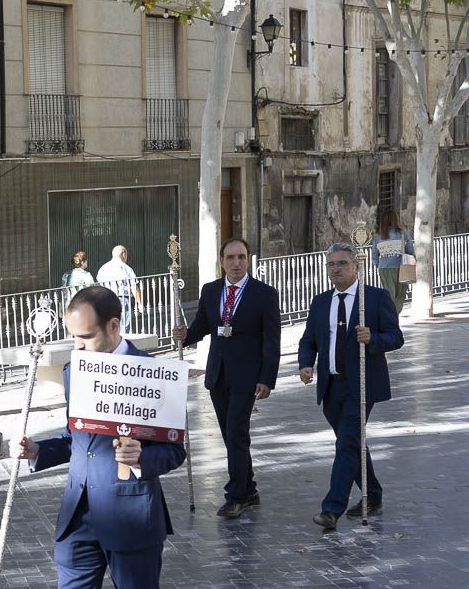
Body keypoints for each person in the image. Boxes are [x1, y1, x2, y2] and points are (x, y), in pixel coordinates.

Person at [8, 286, 186, 589]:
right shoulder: (75, 372)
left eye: (85, 338)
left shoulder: (153, 375)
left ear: (114, 327)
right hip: (79, 519)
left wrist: (142, 458)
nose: (77, 349)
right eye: (72, 340)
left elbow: (174, 450)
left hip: (132, 519)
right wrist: (38, 451)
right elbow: (76, 437)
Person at [298, 243, 404, 532]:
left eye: (343, 263)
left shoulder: (375, 298)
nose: (336, 269)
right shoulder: (320, 302)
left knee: (346, 443)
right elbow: (309, 340)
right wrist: (305, 364)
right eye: (331, 264)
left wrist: (373, 339)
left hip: (362, 384)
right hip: (331, 385)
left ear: (356, 266)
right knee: (353, 443)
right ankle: (375, 495)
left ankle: (331, 509)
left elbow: (396, 337)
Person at [173, 238, 281, 519]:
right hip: (218, 374)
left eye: (242, 257)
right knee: (231, 436)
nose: (236, 263)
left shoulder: (264, 294)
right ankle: (249, 487)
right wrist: (185, 336)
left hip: (248, 376)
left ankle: (235, 496)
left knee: (236, 433)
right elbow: (202, 326)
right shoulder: (210, 291)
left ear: (248, 260)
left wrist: (267, 378)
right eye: (231, 257)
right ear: (222, 260)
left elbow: (272, 340)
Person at [370, 210, 414, 315]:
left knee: (389, 295)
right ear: (396, 219)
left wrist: (379, 265)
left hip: (384, 269)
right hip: (402, 267)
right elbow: (410, 251)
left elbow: (374, 255)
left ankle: (391, 317)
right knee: (401, 295)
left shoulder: (378, 236)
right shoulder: (403, 233)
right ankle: (394, 316)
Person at [96, 245, 145, 334]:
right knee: (124, 325)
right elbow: (133, 286)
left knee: (110, 324)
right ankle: (122, 344)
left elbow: (100, 285)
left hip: (107, 298)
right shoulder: (126, 268)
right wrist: (140, 303)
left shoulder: (103, 268)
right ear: (123, 254)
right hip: (122, 298)